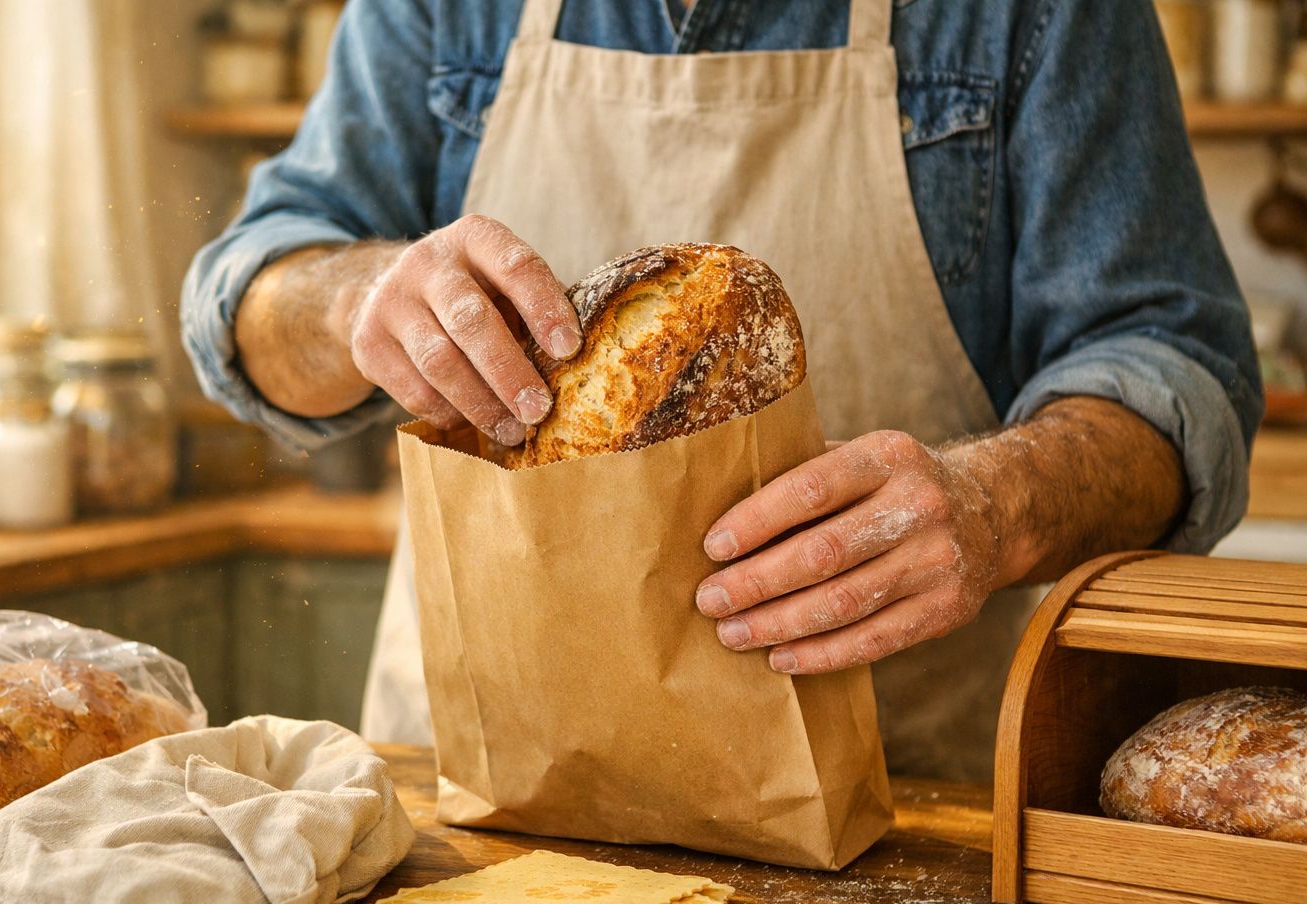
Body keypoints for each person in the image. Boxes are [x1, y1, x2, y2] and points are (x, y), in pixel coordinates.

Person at [181, 0, 1261, 782]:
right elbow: (244, 299)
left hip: (893, 817)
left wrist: (999, 503)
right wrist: (349, 296)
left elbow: (1175, 370)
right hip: (482, 793)